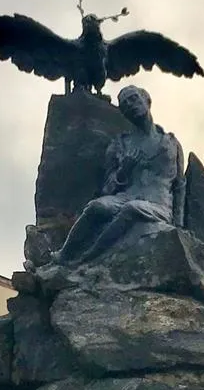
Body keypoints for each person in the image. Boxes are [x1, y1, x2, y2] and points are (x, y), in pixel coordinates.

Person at [53, 84, 185, 265]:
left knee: (131, 209)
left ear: (146, 100)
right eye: (125, 105)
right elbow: (107, 188)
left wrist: (178, 225)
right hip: (126, 196)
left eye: (134, 99)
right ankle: (64, 254)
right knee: (96, 207)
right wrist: (124, 170)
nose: (131, 105)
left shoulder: (171, 143)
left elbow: (179, 186)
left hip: (158, 204)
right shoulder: (120, 145)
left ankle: (88, 258)